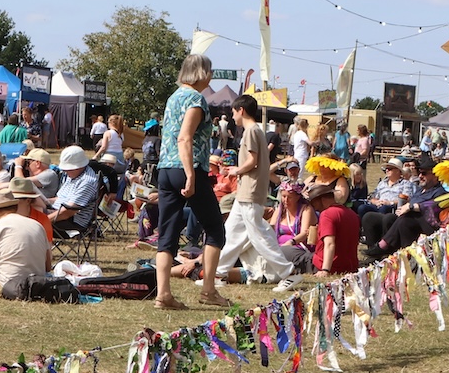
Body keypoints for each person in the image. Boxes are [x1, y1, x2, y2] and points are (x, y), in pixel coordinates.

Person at [152, 53, 226, 310]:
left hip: (165, 169)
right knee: (215, 229)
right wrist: (192, 175)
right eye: (209, 71)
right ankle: (209, 290)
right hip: (186, 168)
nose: (211, 76)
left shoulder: (173, 98)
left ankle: (163, 295)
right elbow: (185, 138)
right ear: (201, 73)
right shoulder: (196, 99)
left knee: (167, 233)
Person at [214, 94, 300, 285]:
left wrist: (236, 170)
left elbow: (252, 161)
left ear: (241, 110)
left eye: (234, 112)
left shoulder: (251, 131)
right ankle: (219, 273)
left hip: (250, 191)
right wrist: (237, 170)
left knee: (259, 235)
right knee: (232, 232)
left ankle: (289, 272)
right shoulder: (255, 131)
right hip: (246, 191)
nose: (233, 117)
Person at [304, 181, 360, 277]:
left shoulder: (326, 214)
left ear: (322, 200)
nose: (315, 208)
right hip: (350, 266)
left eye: (314, 204)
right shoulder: (352, 214)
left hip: (330, 266)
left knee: (289, 252)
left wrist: (325, 270)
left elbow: (330, 244)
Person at [50, 146, 99, 237]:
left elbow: (69, 212)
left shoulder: (87, 181)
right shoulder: (73, 174)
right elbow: (60, 198)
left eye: (68, 168)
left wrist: (43, 220)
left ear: (78, 167)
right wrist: (42, 200)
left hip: (71, 223)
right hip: (57, 214)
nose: (64, 171)